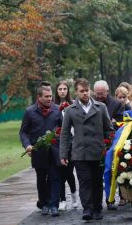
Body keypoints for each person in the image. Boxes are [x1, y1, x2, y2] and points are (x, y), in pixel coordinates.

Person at [60, 78, 114, 221]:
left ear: (90, 90)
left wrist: (108, 148)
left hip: (98, 151)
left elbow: (109, 130)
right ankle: (87, 209)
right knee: (84, 181)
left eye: (86, 90)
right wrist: (63, 154)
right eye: (81, 91)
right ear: (76, 92)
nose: (85, 93)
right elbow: (64, 134)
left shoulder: (101, 107)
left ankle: (97, 208)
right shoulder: (70, 110)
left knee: (97, 181)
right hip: (80, 152)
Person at [19, 81, 62, 217]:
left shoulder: (57, 109)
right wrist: (27, 145)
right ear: (39, 97)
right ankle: (44, 203)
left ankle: (54, 205)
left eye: (50, 96)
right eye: (46, 97)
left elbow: (63, 129)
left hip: (55, 151)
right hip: (38, 152)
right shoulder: (29, 112)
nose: (50, 99)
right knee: (41, 179)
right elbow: (23, 132)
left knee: (55, 177)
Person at [54, 81, 78, 210]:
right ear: (56, 91)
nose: (62, 91)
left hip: (73, 144)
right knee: (60, 173)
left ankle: (74, 194)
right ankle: (62, 199)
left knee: (69, 172)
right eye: (60, 89)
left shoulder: (74, 105)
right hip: (59, 144)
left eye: (64, 89)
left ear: (68, 91)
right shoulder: (53, 106)